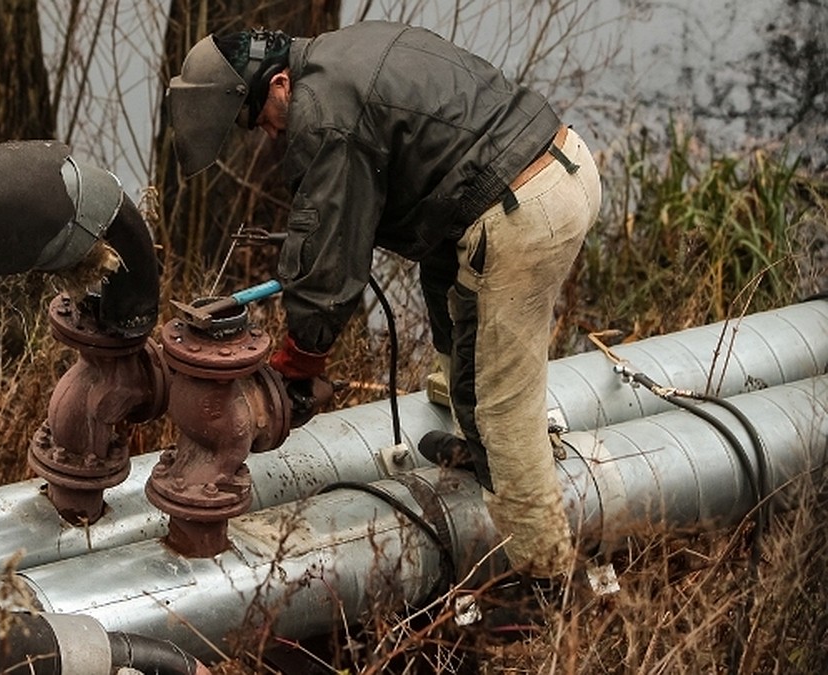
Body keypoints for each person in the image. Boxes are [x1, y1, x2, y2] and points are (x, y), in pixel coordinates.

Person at [166, 21, 601, 581]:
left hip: (525, 210)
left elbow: (328, 254)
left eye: (261, 121)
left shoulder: (321, 112)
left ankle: (549, 589)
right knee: (450, 300)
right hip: (558, 161)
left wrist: (302, 360)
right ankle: (478, 448)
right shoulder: (346, 49)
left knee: (504, 417)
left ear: (279, 84)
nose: (270, 135)